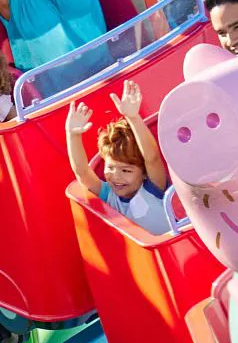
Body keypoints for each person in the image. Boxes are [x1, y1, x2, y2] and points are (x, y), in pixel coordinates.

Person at [66, 80, 171, 234]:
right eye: (110, 167)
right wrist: (72, 135)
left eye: (126, 171)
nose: (116, 176)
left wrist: (133, 118)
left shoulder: (153, 187)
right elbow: (82, 171)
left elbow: (152, 157)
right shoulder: (109, 195)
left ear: (143, 173)